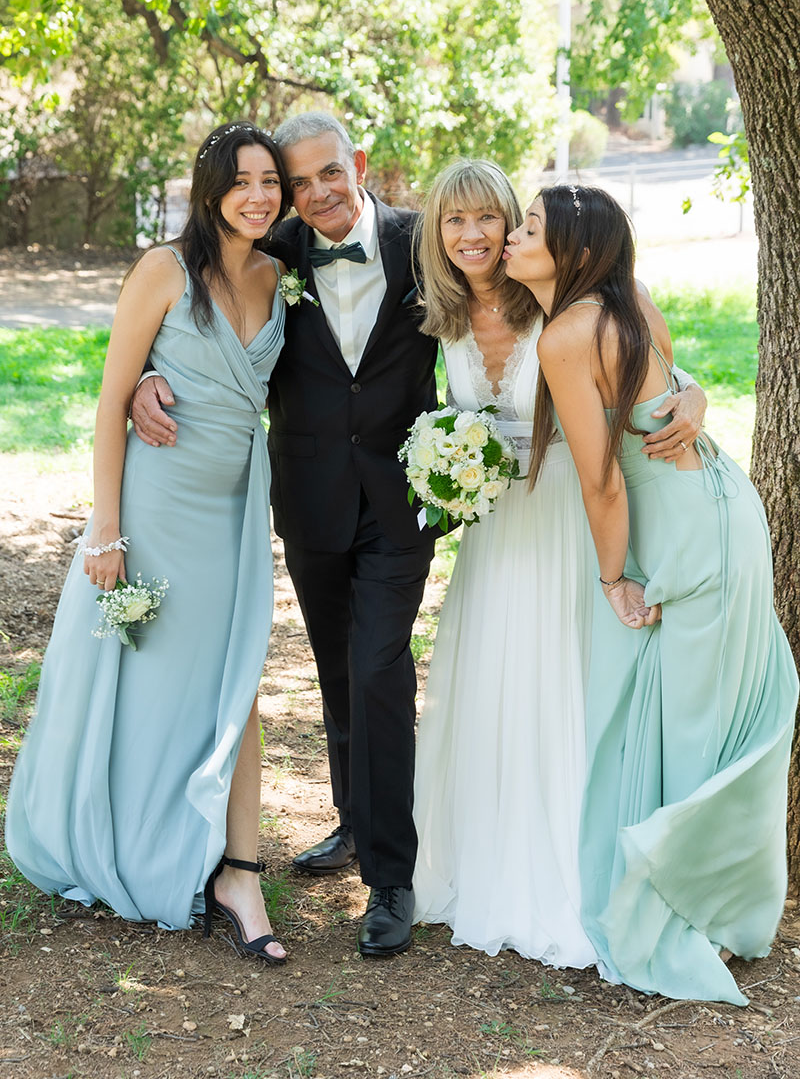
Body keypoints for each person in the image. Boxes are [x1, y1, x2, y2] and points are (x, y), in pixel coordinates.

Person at [131, 112, 440, 957]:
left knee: (379, 667)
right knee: (339, 670)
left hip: (401, 499)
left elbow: (536, 288)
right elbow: (199, 325)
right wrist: (143, 383)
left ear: (360, 164)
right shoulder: (277, 255)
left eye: (326, 174)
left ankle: (390, 877)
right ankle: (352, 820)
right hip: (307, 498)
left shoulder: (426, 243)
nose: (313, 194)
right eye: (297, 183)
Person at [505, 183, 797, 1003]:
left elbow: (602, 479)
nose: (517, 237)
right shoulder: (621, 297)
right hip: (725, 510)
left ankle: (684, 912)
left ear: (576, 250)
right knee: (704, 720)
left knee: (686, 727)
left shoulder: (568, 331)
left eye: (532, 228)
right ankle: (717, 905)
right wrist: (695, 396)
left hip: (677, 532)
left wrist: (613, 577)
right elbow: (673, 382)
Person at [6, 122, 290, 963]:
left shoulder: (281, 274)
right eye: (240, 181)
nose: (258, 195)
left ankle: (236, 870)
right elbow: (109, 400)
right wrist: (106, 529)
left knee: (231, 681)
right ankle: (137, 845)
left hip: (238, 510)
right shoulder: (162, 270)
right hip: (158, 509)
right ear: (210, 190)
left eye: (269, 179)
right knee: (149, 688)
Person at [411, 161, 706, 964]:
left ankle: (576, 870)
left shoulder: (569, 300)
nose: (475, 236)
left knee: (568, 678)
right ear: (436, 234)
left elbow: (663, 374)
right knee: (495, 683)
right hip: (499, 533)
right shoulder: (441, 321)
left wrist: (697, 396)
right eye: (454, 222)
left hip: (574, 522)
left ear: (517, 227)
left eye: (491, 220)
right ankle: (489, 859)